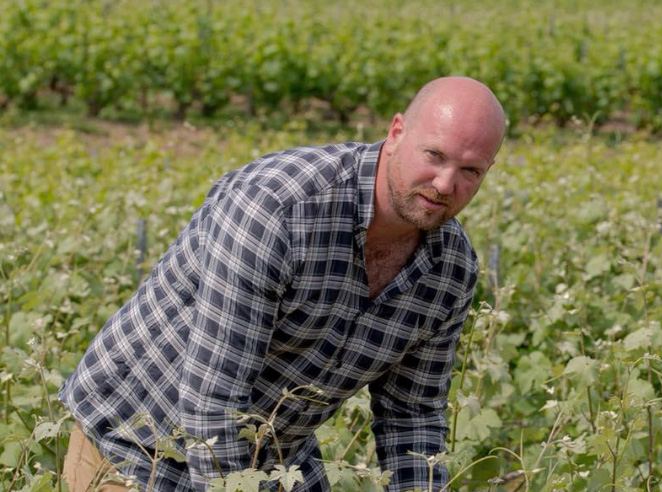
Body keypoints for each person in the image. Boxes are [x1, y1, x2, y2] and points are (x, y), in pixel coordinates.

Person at [60, 76, 507, 492]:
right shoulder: (280, 208)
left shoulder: (449, 271)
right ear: (396, 134)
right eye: (435, 155)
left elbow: (412, 417)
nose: (445, 183)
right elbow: (213, 400)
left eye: (470, 171)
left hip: (274, 454)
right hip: (136, 441)